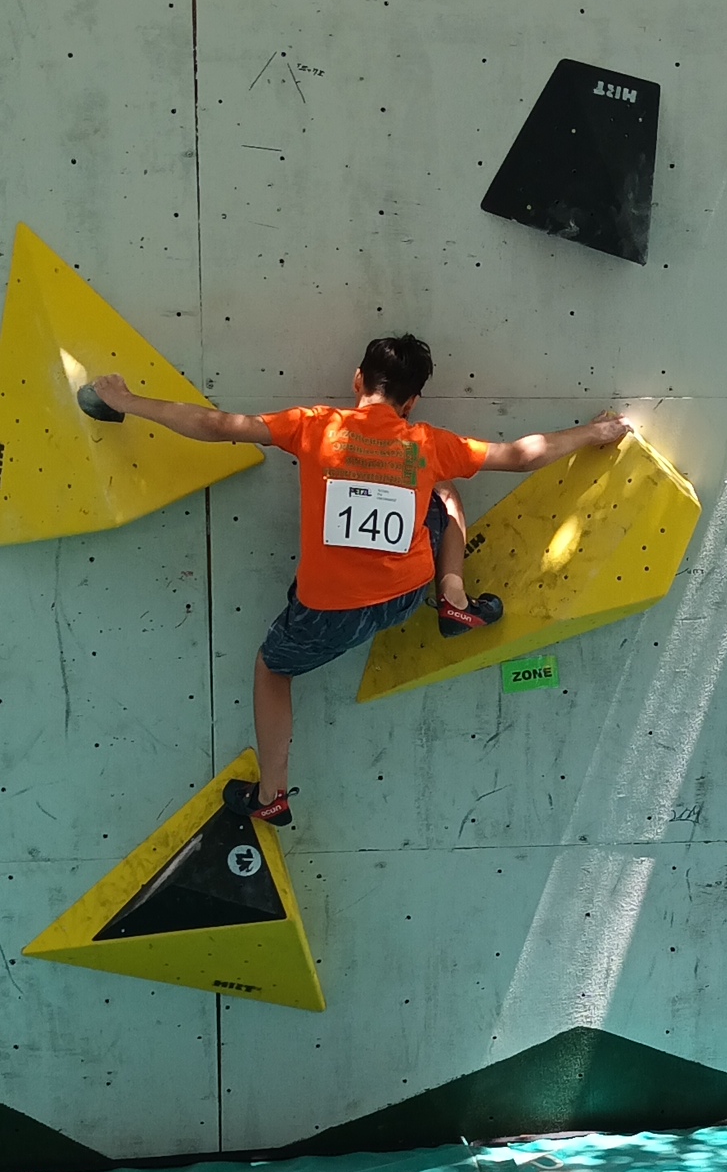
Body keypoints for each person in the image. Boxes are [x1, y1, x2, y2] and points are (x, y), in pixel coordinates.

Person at [92, 336, 629, 827]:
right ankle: (453, 595)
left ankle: (272, 795)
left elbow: (218, 426)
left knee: (272, 668)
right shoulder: (427, 442)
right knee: (444, 492)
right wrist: (598, 432)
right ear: (411, 401)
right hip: (404, 596)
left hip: (330, 612)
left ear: (357, 380)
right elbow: (521, 455)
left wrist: (128, 401)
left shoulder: (315, 426)